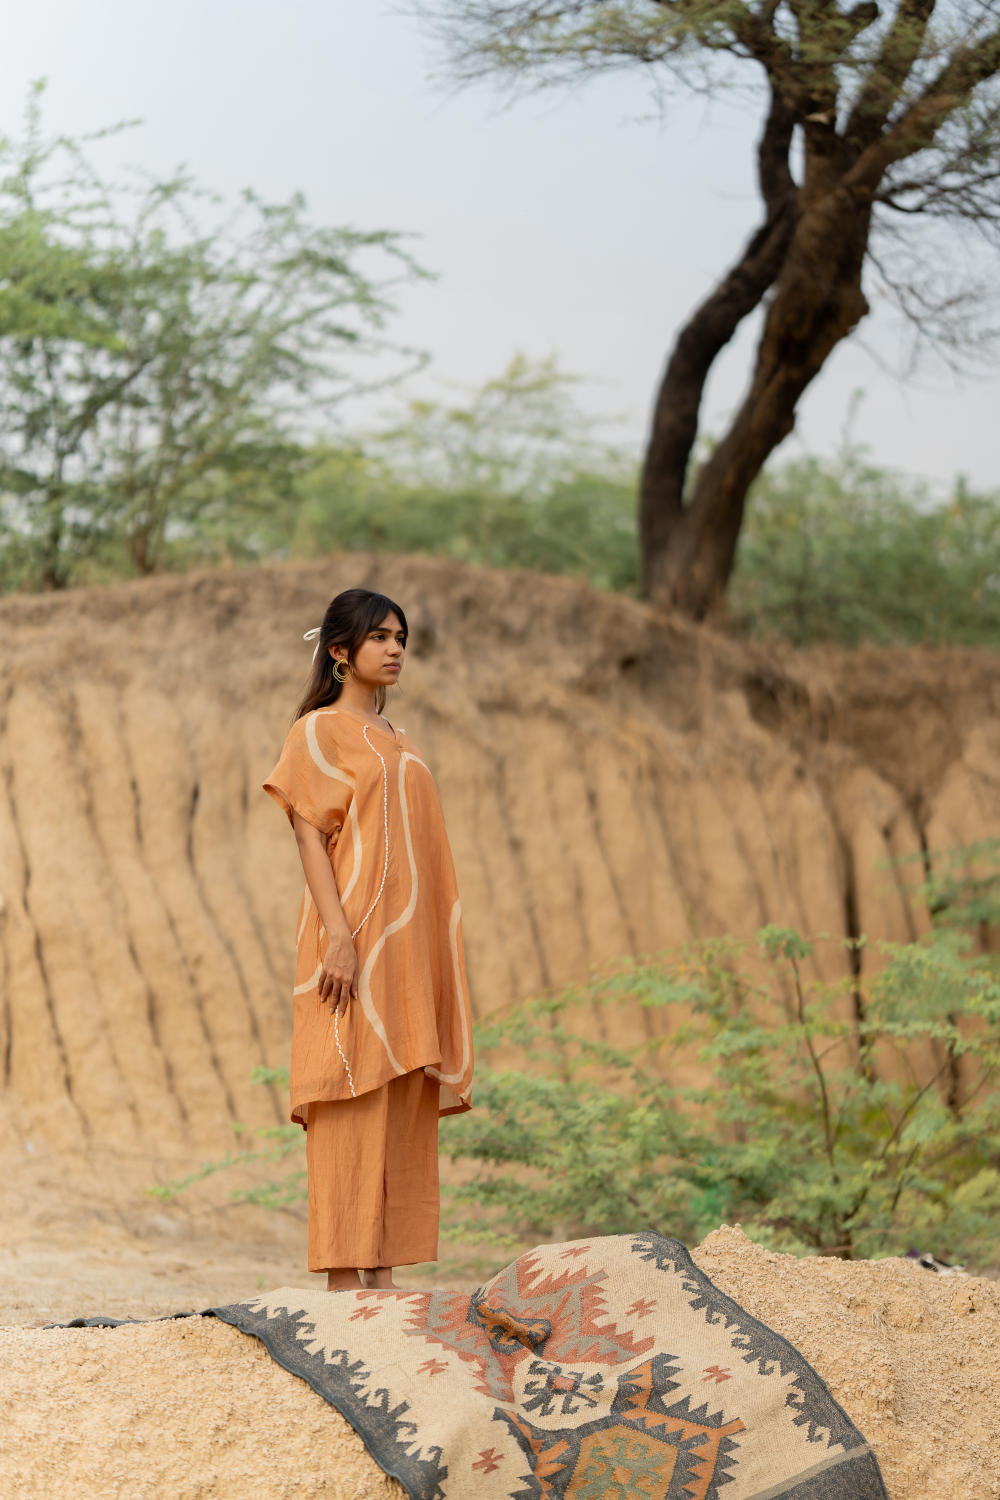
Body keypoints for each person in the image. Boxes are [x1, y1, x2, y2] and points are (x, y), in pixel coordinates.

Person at [261, 587, 474, 1291]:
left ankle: (381, 1280)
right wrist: (340, 939)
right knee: (347, 1090)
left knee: (394, 1097)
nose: (394, 649)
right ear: (339, 651)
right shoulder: (318, 732)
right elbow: (310, 838)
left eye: (401, 638)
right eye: (379, 637)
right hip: (351, 940)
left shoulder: (399, 741)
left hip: (404, 950)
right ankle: (346, 1286)